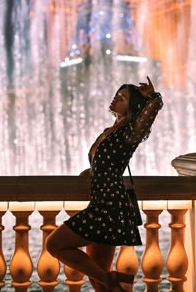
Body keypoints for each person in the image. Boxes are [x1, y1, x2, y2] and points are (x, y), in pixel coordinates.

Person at [46, 76, 163, 291]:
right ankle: (111, 281)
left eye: (122, 98)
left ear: (133, 106)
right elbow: (108, 162)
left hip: (110, 206)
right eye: (117, 95)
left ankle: (110, 279)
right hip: (101, 203)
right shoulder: (108, 131)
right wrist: (91, 171)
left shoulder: (130, 132)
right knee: (97, 277)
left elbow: (151, 112)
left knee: (54, 244)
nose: (115, 99)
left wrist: (152, 97)